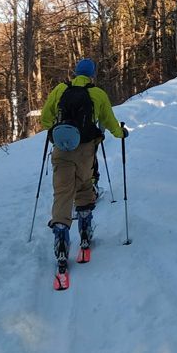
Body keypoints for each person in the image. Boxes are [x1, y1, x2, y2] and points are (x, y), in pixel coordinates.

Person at [41, 58, 127, 268]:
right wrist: (120, 133)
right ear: (92, 75)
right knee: (84, 186)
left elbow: (45, 118)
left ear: (74, 72)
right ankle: (85, 232)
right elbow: (108, 120)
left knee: (62, 192)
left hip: (61, 149)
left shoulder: (60, 89)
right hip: (86, 150)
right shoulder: (97, 94)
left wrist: (58, 132)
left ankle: (61, 237)